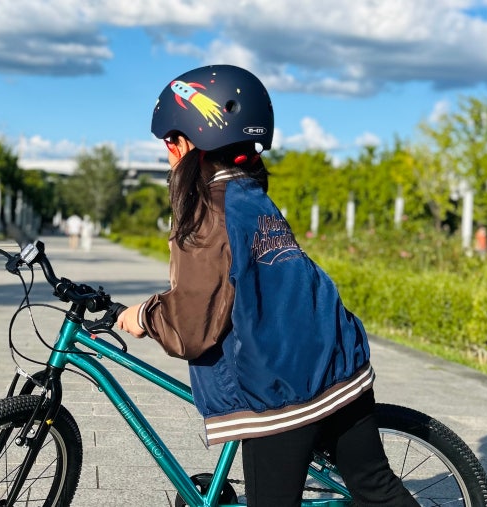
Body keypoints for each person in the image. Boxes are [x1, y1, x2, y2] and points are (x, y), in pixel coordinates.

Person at [116, 64, 417, 507]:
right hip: (338, 362)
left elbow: (193, 326)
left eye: (170, 140)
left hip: (280, 389)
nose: (168, 152)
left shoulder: (207, 212)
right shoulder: (251, 193)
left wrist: (143, 316)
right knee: (377, 487)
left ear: (191, 142)